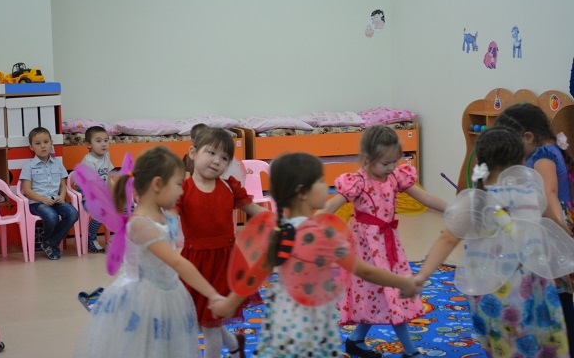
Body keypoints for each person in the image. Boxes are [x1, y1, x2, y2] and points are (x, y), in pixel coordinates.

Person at [210, 152, 418, 357]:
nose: (326, 186)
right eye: (320, 181)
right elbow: (364, 271)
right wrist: (401, 282)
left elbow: (256, 272)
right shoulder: (322, 236)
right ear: (302, 192)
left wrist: (229, 303)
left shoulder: (283, 231)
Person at [414, 127, 572, 358]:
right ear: (521, 161)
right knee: (540, 341)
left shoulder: (474, 202)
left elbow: (447, 239)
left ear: (479, 161)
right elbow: (553, 223)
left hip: (491, 293)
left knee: (504, 345)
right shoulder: (531, 192)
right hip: (532, 287)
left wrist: (421, 277)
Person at [73, 146, 225, 358]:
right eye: (178, 184)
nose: (182, 191)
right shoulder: (141, 225)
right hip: (143, 301)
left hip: (167, 292)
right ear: (157, 184)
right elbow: (178, 263)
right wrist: (213, 295)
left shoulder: (162, 214)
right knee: (144, 347)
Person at [319, 125, 447, 358]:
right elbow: (332, 205)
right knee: (391, 293)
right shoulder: (357, 182)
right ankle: (410, 351)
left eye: (394, 162)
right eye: (386, 163)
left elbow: (425, 197)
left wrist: (453, 210)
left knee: (380, 293)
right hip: (365, 247)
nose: (391, 168)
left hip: (388, 244)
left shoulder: (395, 177)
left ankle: (356, 340)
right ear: (368, 159)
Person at [175, 127, 266, 358]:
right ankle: (235, 345)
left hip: (225, 264)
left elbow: (256, 211)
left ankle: (230, 348)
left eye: (224, 158)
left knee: (210, 324)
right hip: (195, 264)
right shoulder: (182, 190)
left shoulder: (229, 187)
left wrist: (282, 221)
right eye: (211, 153)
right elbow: (165, 217)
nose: (217, 161)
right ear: (193, 153)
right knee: (202, 320)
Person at [494, 103, 574, 356]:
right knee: (554, 286)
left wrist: (560, 232)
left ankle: (564, 342)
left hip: (551, 226)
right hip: (551, 224)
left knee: (557, 288)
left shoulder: (542, 155)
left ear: (528, 137)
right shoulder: (549, 150)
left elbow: (548, 194)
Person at [20, 127, 78, 260]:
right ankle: (50, 243)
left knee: (73, 213)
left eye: (46, 142)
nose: (43, 146)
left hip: (56, 200)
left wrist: (62, 196)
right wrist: (43, 199)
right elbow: (27, 190)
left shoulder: (58, 164)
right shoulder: (29, 166)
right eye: (38, 143)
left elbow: (63, 185)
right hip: (37, 203)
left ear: (51, 143)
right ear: (31, 147)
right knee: (52, 217)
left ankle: (49, 242)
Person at [79, 126, 115, 253]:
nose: (104, 144)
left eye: (106, 140)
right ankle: (91, 238)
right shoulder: (89, 161)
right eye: (99, 141)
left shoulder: (106, 155)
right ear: (88, 144)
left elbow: (108, 177)